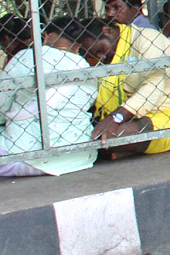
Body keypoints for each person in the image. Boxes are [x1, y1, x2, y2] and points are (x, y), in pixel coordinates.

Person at [76, 17, 170, 158]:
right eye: (95, 56)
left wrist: (116, 117)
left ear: (107, 31)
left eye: (100, 50)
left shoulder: (147, 38)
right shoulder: (111, 53)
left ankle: (122, 149)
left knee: (112, 136)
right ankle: (125, 150)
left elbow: (153, 87)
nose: (101, 58)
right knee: (93, 134)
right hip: (133, 116)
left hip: (169, 113)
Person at [0, 17, 97, 176]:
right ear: (79, 45)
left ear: (46, 35)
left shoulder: (26, 57)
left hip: (27, 156)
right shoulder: (85, 66)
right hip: (78, 156)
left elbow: (1, 107)